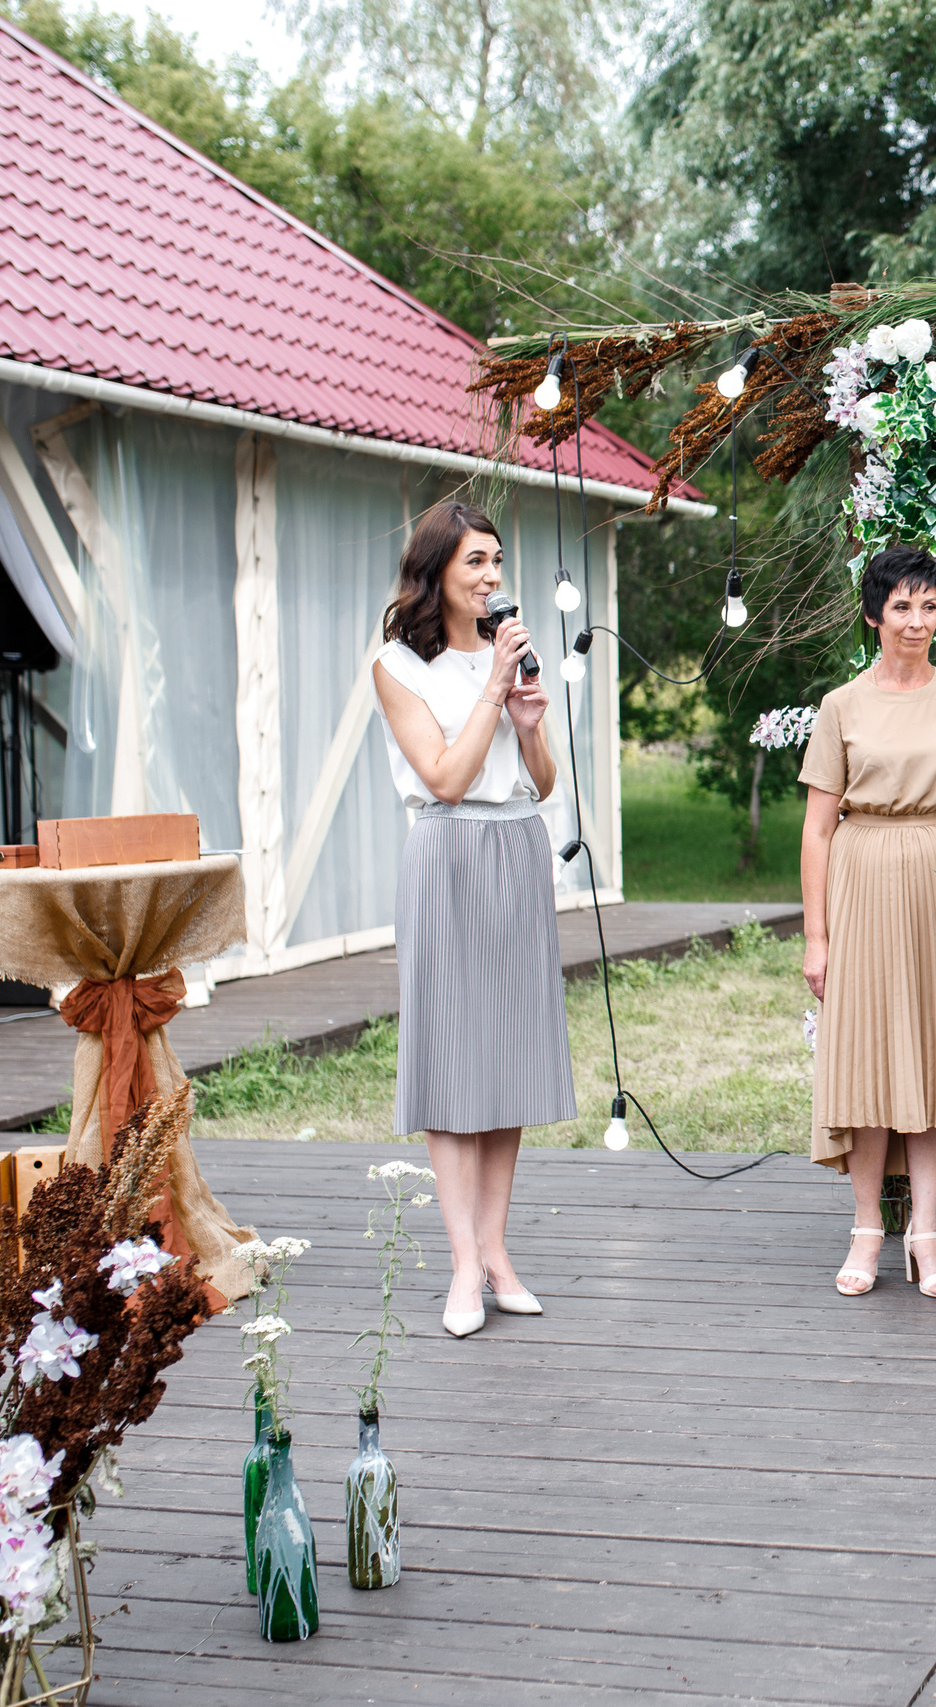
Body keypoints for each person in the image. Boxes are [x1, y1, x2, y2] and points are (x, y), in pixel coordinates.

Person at [373, 500, 576, 1340]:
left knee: (508, 1066)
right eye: (475, 564)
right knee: (456, 1072)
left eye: (497, 561)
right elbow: (446, 777)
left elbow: (544, 780)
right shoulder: (398, 665)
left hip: (517, 852)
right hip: (449, 854)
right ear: (437, 573)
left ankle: (497, 1252)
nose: (493, 577)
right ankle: (462, 1262)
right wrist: (494, 687)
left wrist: (527, 725)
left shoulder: (509, 658)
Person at [798, 544, 936, 1300]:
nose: (916, 621)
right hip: (862, 876)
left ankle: (925, 1229)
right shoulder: (842, 705)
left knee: (932, 1055)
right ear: (873, 614)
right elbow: (817, 827)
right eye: (902, 607)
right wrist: (817, 937)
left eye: (929, 606)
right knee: (869, 1056)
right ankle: (866, 1228)